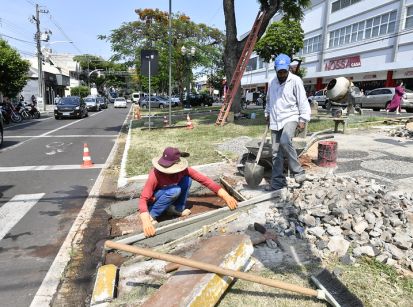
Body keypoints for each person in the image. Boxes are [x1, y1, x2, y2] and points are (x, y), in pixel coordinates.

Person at [139, 147, 238, 237]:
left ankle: (177, 209)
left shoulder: (183, 171)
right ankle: (153, 215)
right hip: (155, 199)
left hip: (169, 195)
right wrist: (146, 220)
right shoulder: (155, 174)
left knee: (187, 180)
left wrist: (226, 196)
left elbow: (206, 181)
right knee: (174, 190)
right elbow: (143, 198)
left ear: (177, 164)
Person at [264, 54, 311, 191]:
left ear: (289, 68)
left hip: (290, 116)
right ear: (275, 69)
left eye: (285, 71)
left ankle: (298, 172)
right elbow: (269, 100)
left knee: (285, 141)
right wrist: (267, 114)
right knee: (275, 152)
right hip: (275, 119)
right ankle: (278, 182)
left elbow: (302, 100)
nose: (283, 74)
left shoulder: (295, 80)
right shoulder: (272, 82)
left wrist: (303, 119)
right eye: (280, 71)